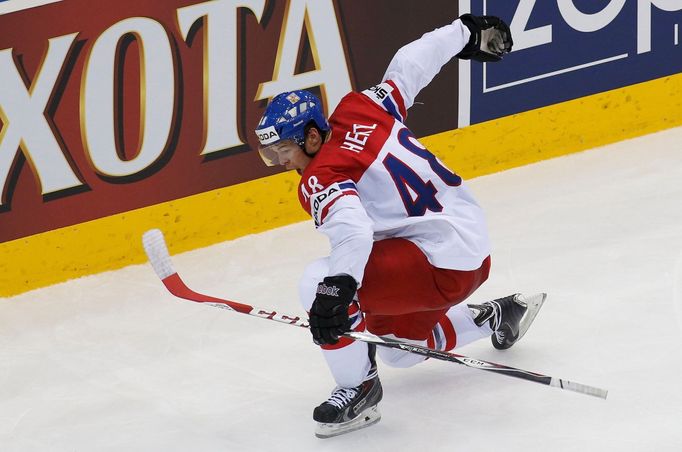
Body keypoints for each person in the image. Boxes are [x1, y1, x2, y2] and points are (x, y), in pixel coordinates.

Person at [254, 13, 542, 438]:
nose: (280, 163)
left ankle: (358, 389)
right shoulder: (363, 107)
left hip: (438, 262)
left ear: (312, 137)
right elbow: (409, 66)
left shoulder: (323, 175)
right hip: (468, 247)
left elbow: (353, 231)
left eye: (283, 150)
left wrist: (337, 293)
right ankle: (493, 316)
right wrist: (464, 31)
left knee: (317, 282)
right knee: (399, 352)